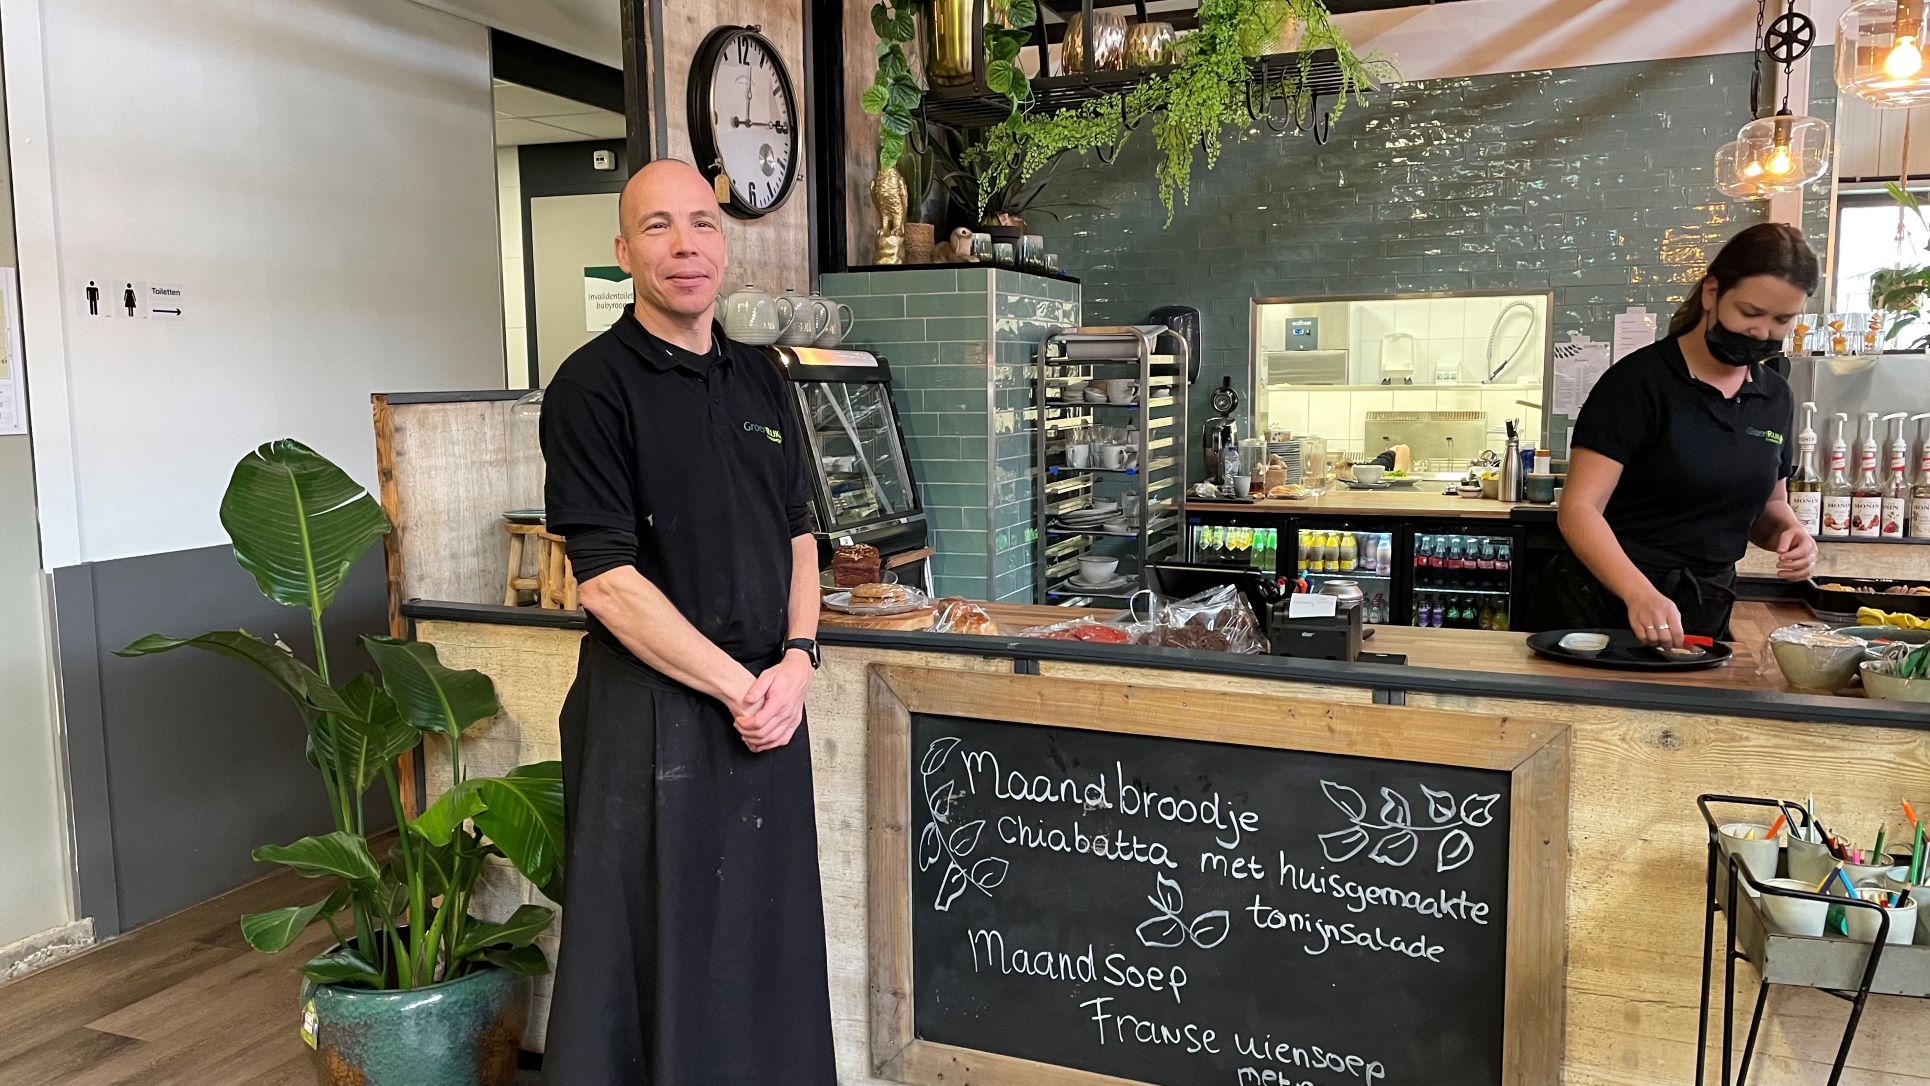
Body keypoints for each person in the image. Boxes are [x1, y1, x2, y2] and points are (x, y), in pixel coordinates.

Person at [537, 158, 836, 1085]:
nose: (685, 246)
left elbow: (800, 533)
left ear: (725, 241)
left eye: (701, 224)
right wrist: (742, 685)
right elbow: (607, 583)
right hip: (650, 715)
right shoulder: (591, 387)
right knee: (651, 953)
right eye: (657, 227)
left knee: (765, 946)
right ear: (624, 251)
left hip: (765, 704)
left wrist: (798, 659)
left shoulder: (761, 378)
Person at [1528, 223, 1819, 645]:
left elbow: (1770, 504)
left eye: (1782, 320)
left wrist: (1791, 534)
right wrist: (1638, 592)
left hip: (1704, 608)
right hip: (1603, 606)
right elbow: (1579, 509)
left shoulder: (1775, 397)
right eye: (1751, 313)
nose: (1762, 332)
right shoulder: (1638, 383)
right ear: (1711, 293)